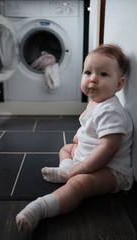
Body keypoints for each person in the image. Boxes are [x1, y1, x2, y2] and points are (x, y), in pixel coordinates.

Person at [16, 44, 133, 233]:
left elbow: (109, 147)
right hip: (89, 156)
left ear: (119, 84)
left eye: (103, 74)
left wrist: (84, 167)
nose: (93, 79)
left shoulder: (111, 111)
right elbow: (91, 128)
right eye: (88, 72)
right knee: (66, 148)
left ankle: (42, 207)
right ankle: (66, 171)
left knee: (79, 185)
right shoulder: (97, 102)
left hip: (110, 170)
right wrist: (79, 138)